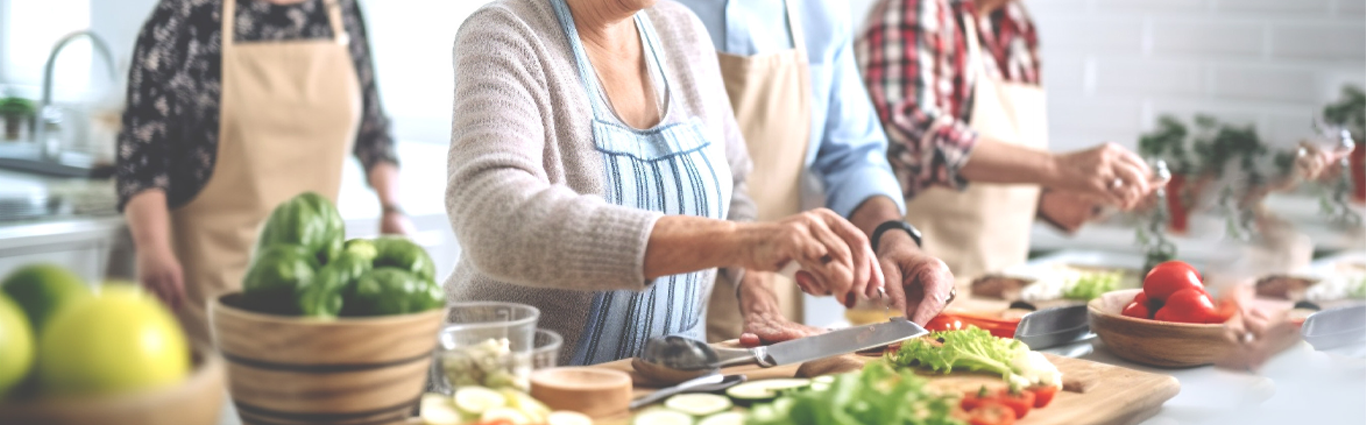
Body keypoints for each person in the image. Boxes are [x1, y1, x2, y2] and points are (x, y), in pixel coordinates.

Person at [447, 0, 891, 365]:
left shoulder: (683, 32)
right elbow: (492, 216)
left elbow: (735, 189)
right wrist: (744, 242)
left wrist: (759, 300)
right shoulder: (504, 34)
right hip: (515, 388)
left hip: (662, 385)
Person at [117, 0, 412, 342]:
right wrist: (152, 246)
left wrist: (392, 208)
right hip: (213, 287)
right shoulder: (188, 13)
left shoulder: (339, 10)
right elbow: (143, 151)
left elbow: (373, 128)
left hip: (311, 288)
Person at [672, 0, 954, 345]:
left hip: (775, 304)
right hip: (654, 297)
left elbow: (853, 156)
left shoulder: (819, 10)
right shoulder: (647, 12)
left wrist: (894, 238)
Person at [856, 0, 1159, 278]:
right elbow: (911, 131)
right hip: (910, 290)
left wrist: (1046, 200)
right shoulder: (916, 8)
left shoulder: (1017, 24)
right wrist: (1062, 168)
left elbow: (999, 159)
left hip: (996, 286)